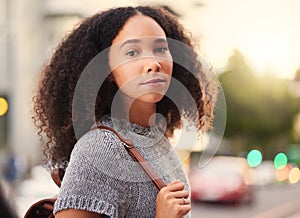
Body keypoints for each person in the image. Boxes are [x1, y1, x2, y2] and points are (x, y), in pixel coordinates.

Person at [32, 5, 217, 218]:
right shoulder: (99, 150)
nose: (153, 63)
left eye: (160, 49)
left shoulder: (159, 143)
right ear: (108, 71)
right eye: (132, 52)